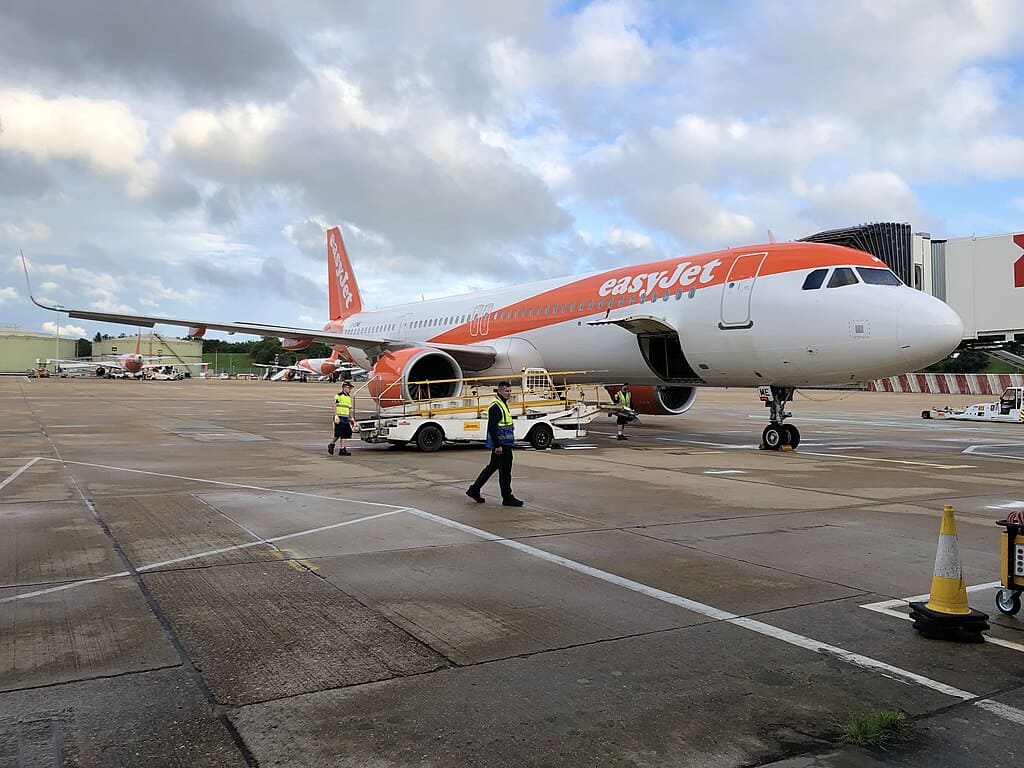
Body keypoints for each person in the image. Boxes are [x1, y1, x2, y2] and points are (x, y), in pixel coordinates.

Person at [466, 381, 523, 506]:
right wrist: (497, 445)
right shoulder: (496, 406)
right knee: (505, 472)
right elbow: (492, 427)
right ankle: (507, 497)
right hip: (502, 445)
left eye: (510, 391)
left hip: (504, 443)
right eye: (507, 391)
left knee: (492, 467)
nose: (509, 393)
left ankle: (474, 489)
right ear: (500, 391)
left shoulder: (501, 403)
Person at [328, 381, 355, 456]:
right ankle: (331, 444)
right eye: (348, 388)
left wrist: (351, 417)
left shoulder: (348, 397)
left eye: (350, 388)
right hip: (339, 417)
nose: (350, 390)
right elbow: (334, 406)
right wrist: (335, 415)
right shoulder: (338, 395)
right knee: (338, 434)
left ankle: (342, 449)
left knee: (345, 434)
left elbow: (349, 408)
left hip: (346, 418)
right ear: (343, 388)